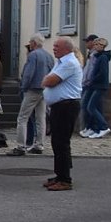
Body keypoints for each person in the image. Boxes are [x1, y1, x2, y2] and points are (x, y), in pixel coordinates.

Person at [42, 38, 82, 191]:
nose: (54, 48)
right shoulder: (61, 62)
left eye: (57, 46)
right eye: (54, 46)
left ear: (67, 48)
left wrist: (46, 81)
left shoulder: (69, 63)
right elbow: (49, 80)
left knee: (61, 143)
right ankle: (59, 174)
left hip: (66, 106)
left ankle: (65, 179)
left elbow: (50, 80)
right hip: (59, 106)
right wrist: (47, 81)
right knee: (57, 142)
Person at [10, 34, 54, 155]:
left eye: (30, 42)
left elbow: (29, 73)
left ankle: (20, 146)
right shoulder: (48, 56)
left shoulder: (33, 55)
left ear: (34, 43)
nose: (29, 44)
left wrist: (23, 87)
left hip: (33, 89)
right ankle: (39, 144)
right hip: (44, 89)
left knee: (22, 118)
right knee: (41, 118)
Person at [82, 37, 111, 139]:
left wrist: (92, 79)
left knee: (91, 107)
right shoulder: (99, 56)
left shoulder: (103, 57)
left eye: (97, 45)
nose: (95, 47)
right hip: (96, 85)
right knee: (90, 107)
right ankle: (98, 129)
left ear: (101, 46)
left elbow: (102, 73)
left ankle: (103, 127)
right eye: (94, 45)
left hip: (100, 86)